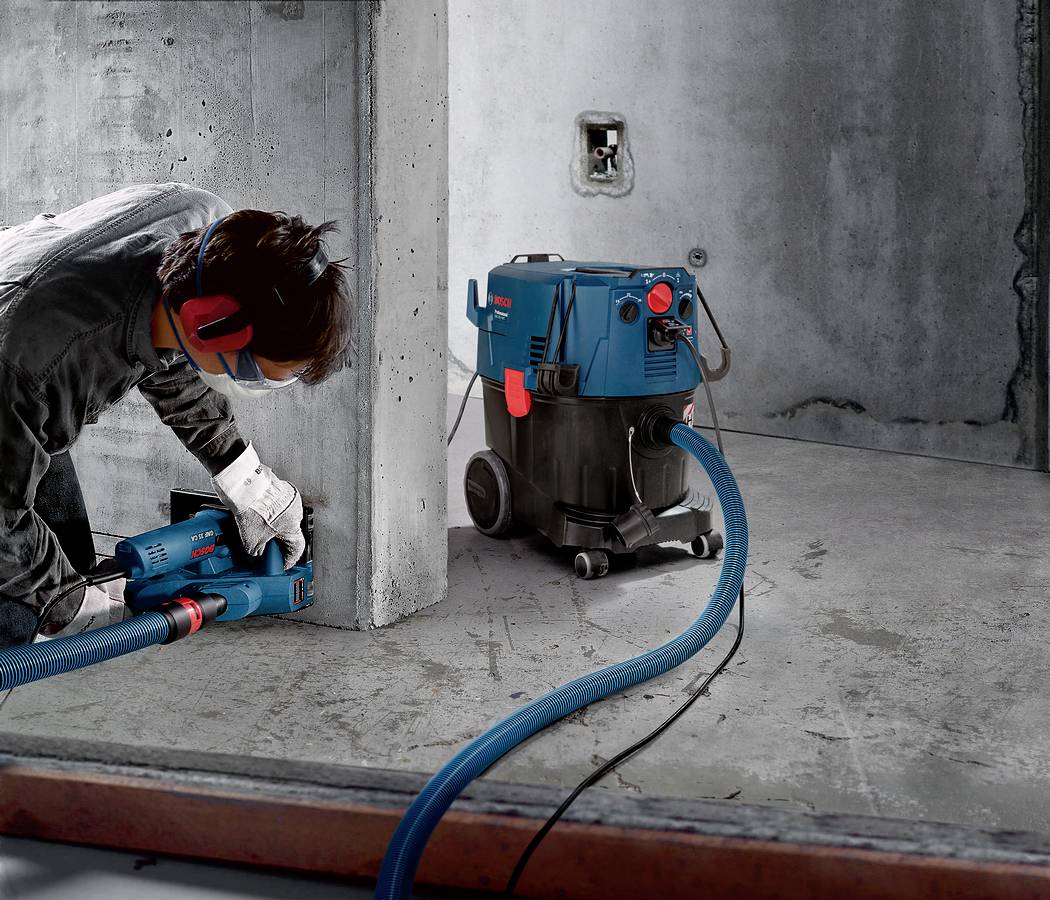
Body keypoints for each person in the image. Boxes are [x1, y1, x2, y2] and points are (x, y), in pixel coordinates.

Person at [0, 182, 352, 646]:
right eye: (254, 372)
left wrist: (250, 483)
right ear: (206, 326)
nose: (257, 385)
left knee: (71, 566)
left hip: (24, 386)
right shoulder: (40, 366)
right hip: (14, 374)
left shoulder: (206, 231)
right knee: (23, 616)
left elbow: (170, 352)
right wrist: (68, 606)